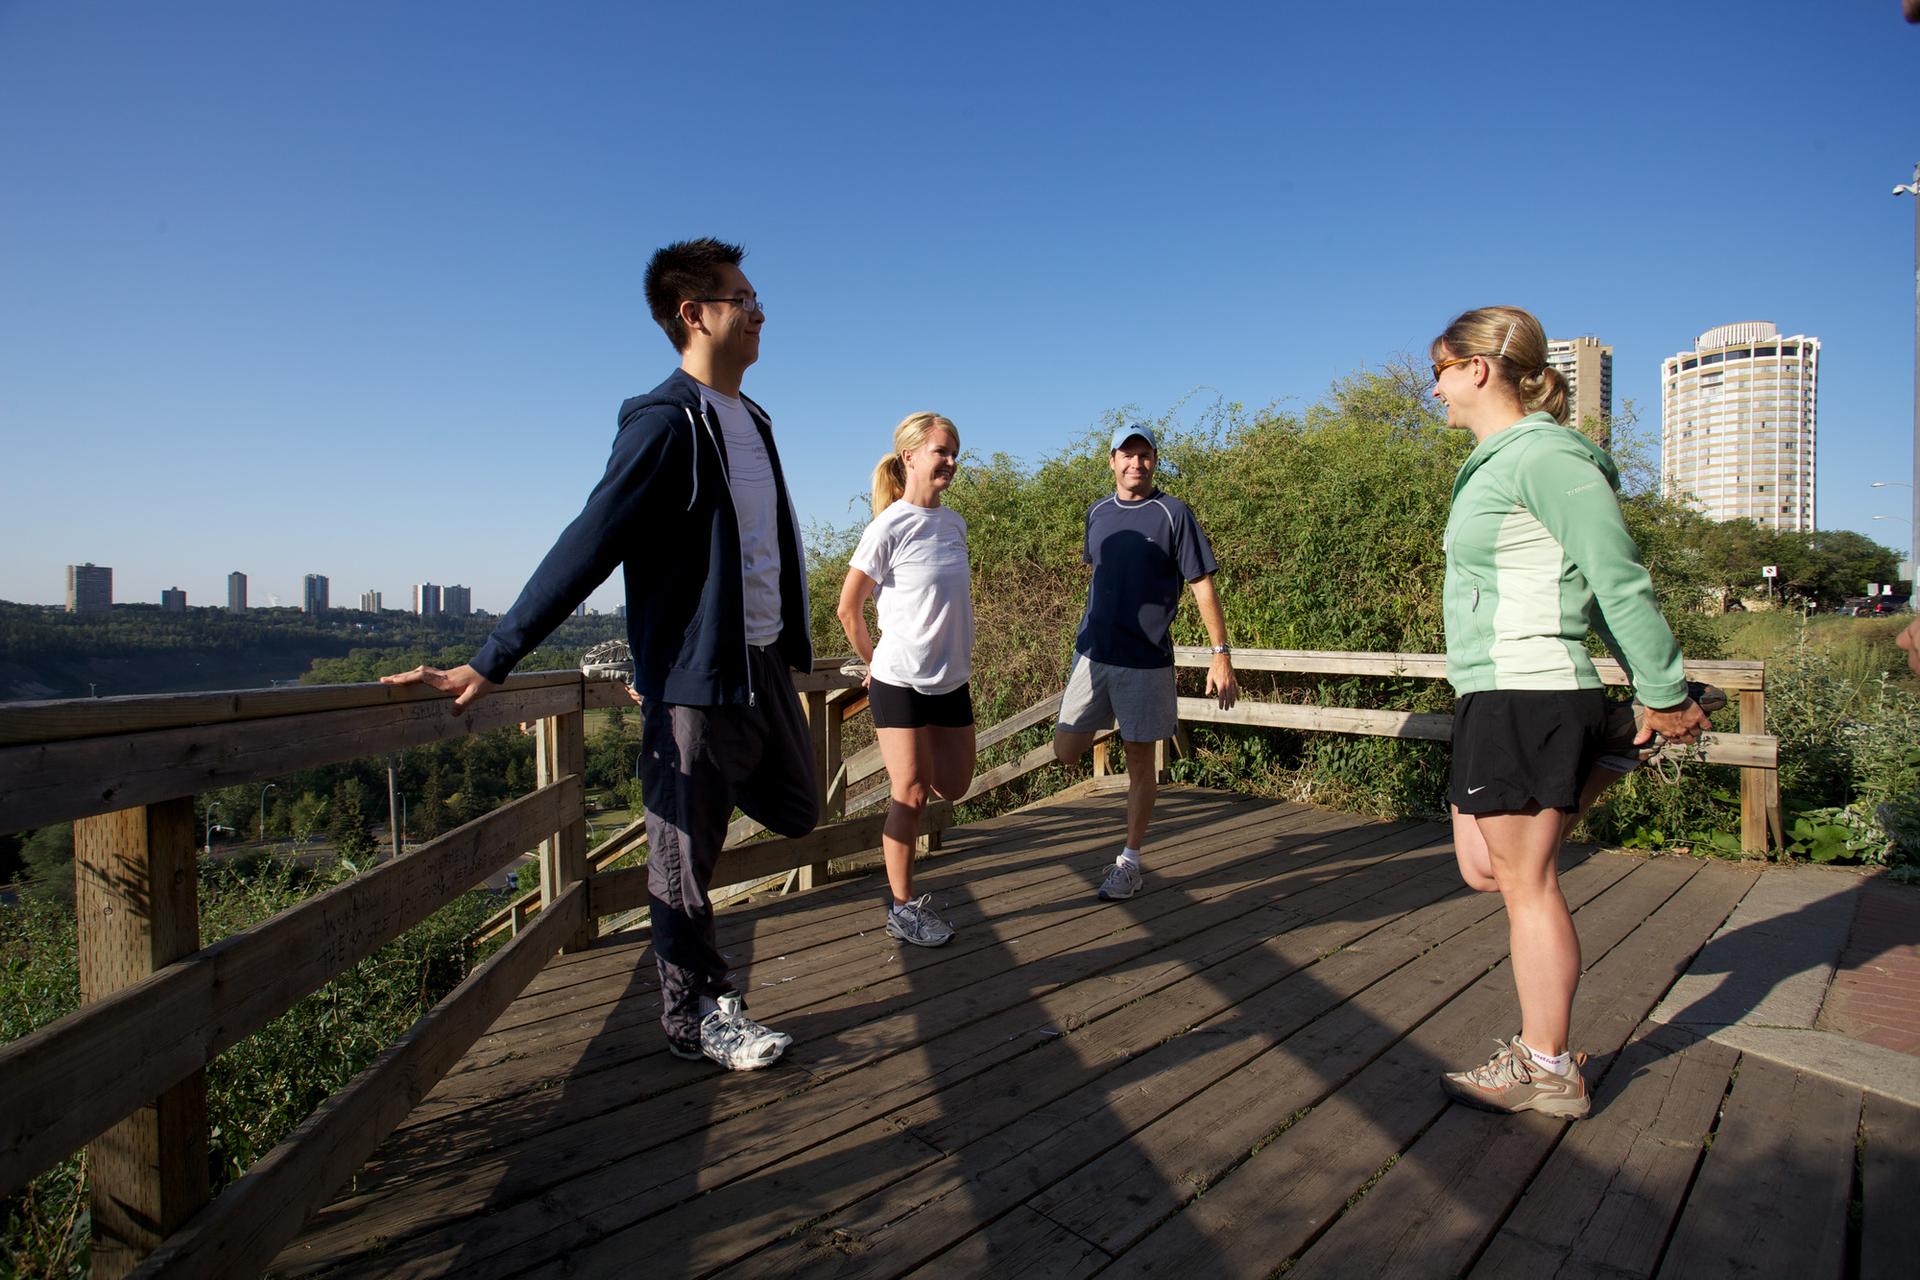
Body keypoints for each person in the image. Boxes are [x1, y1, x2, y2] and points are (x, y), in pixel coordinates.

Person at [382, 238, 817, 1072]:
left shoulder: (753, 418)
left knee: (798, 808)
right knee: (681, 852)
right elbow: (589, 542)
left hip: (757, 663)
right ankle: (697, 1014)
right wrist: (492, 658)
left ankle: (690, 823)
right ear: (694, 315)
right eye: (742, 298)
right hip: (695, 680)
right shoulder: (665, 422)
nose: (759, 312)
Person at [1429, 306, 1712, 1119]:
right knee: (1482, 867)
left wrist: (1663, 686)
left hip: (1532, 684)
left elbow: (1614, 577)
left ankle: (1547, 1066)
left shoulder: (1548, 458)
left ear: (1478, 368)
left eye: (1440, 372)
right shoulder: (1499, 461)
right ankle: (1613, 751)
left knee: (1527, 883)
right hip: (1494, 689)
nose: (1436, 391)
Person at [1053, 423, 1238, 901]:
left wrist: (1221, 656)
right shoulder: (1096, 513)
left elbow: (1202, 586)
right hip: (1092, 653)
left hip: (1147, 659)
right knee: (1065, 750)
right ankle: (1114, 720)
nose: (1136, 463)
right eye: (1127, 455)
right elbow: (1097, 576)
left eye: (1145, 455)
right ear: (1112, 461)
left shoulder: (1174, 514)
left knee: (1140, 762)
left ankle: (1130, 861)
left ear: (1155, 460)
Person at [836, 413, 976, 947]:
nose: (950, 461)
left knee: (955, 785)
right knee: (910, 792)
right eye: (941, 451)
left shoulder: (955, 524)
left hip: (951, 680)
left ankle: (903, 893)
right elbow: (848, 609)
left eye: (954, 452)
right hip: (898, 681)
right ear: (910, 456)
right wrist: (874, 662)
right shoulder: (888, 526)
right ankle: (900, 907)